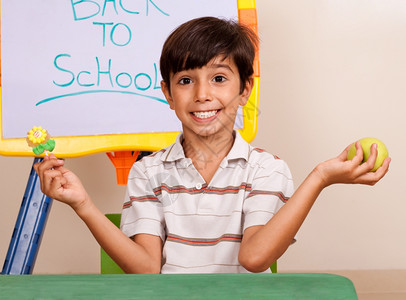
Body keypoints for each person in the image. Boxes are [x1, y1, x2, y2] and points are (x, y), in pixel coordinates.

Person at [34, 17, 390, 274]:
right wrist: (83, 205)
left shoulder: (266, 169)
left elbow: (254, 259)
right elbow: (145, 269)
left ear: (244, 90)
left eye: (219, 78)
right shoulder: (148, 171)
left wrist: (319, 177)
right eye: (186, 80)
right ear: (168, 95)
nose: (203, 95)